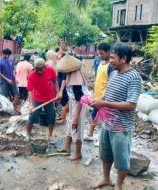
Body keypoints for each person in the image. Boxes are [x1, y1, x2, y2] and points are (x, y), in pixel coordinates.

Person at [91, 44, 141, 190]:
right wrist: (98, 100)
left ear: (124, 58)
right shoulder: (113, 73)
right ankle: (106, 179)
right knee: (105, 155)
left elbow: (131, 105)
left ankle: (118, 186)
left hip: (121, 126)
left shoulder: (134, 78)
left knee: (121, 160)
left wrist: (104, 103)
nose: (110, 60)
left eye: (113, 57)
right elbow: (108, 91)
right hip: (107, 123)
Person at [58, 58, 88, 161]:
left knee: (76, 127)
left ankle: (78, 153)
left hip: (79, 104)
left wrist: (76, 117)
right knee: (69, 126)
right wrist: (67, 105)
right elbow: (72, 95)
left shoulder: (76, 80)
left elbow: (81, 99)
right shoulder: (71, 75)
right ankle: (67, 148)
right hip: (73, 102)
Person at [26, 58, 61, 142]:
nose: (40, 71)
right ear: (35, 68)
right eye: (38, 69)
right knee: (32, 117)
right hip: (37, 98)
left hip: (50, 98)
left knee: (51, 117)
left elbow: (55, 81)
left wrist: (58, 92)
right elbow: (30, 91)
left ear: (45, 66)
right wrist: (31, 104)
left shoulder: (50, 70)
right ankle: (28, 134)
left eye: (42, 69)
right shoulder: (32, 76)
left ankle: (50, 136)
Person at [87, 43, 114, 137]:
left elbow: (111, 83)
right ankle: (90, 133)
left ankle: (103, 136)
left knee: (105, 118)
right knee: (95, 114)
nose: (100, 55)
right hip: (97, 94)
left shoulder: (111, 66)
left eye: (102, 53)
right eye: (98, 53)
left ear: (108, 52)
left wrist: (104, 96)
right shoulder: (99, 62)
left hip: (106, 96)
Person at [0, 48, 20, 113]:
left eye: (9, 55)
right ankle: (3, 110)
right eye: (7, 55)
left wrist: (15, 78)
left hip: (12, 81)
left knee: (17, 94)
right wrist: (7, 79)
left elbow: (13, 70)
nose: (8, 56)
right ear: (3, 54)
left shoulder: (10, 60)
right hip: (4, 82)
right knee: (4, 97)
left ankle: (15, 107)